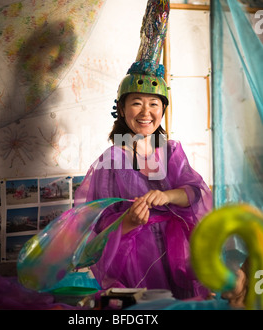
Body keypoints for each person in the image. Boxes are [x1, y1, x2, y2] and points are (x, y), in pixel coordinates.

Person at [74, 0, 212, 299]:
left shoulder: (171, 150)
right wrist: (128, 220)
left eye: (154, 104)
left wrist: (166, 196)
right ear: (121, 109)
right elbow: (99, 221)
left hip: (176, 249)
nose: (146, 112)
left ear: (163, 110)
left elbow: (195, 191)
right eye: (136, 102)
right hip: (134, 255)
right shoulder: (111, 160)